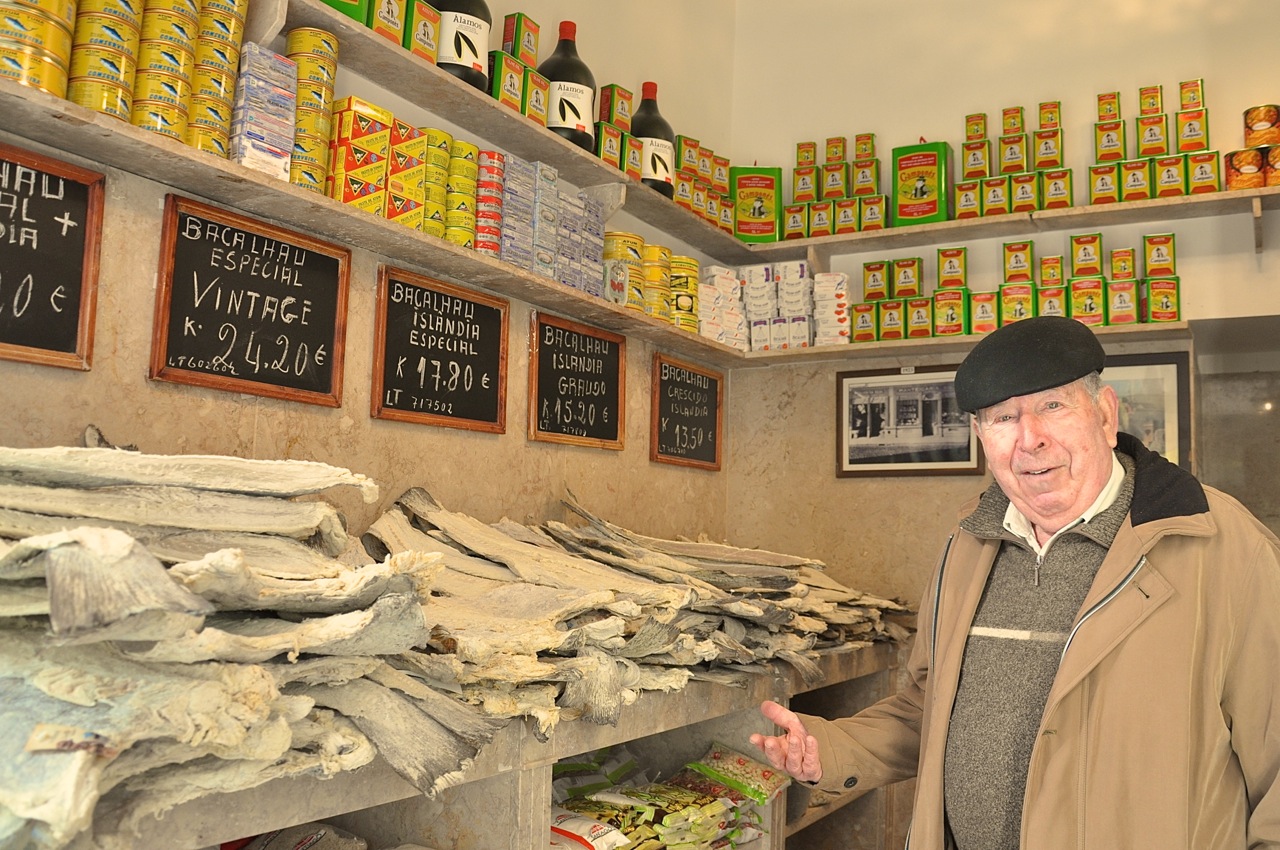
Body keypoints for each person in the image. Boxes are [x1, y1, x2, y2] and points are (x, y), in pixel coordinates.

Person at [750, 315, 1280, 850]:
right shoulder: (968, 545)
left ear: (1104, 413)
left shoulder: (1221, 545)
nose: (1031, 440)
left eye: (1053, 406)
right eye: (1003, 418)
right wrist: (832, 747)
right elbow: (929, 707)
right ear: (983, 437)